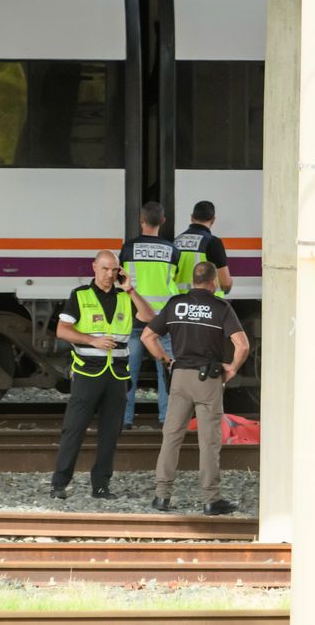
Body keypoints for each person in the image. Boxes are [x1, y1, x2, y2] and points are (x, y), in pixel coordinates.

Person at [142, 261, 249, 515]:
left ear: (193, 280)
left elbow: (147, 336)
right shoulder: (220, 308)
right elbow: (242, 345)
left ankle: (162, 496)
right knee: (209, 442)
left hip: (179, 377)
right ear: (213, 282)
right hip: (208, 380)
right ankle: (211, 500)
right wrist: (232, 368)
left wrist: (167, 361)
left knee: (171, 437)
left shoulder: (175, 304)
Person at [51, 250, 155, 500]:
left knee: (110, 433)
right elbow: (62, 330)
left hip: (117, 376)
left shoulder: (124, 297)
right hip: (87, 372)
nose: (109, 274)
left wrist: (131, 291)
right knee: (73, 429)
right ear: (94, 267)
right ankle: (59, 484)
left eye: (114, 270)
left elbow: (151, 318)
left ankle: (101, 486)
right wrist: (91, 340)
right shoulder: (80, 296)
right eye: (105, 268)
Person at [120, 202, 180, 428]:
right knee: (167, 370)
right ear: (163, 221)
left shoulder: (127, 249)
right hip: (162, 320)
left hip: (134, 317)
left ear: (140, 220)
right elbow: (174, 283)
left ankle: (125, 420)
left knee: (128, 373)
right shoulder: (172, 251)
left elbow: (122, 281)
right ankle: (167, 419)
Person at [173, 200, 233, 296]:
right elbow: (225, 283)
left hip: (181, 302)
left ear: (191, 218)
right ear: (213, 220)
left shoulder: (175, 241)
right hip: (207, 304)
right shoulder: (213, 242)